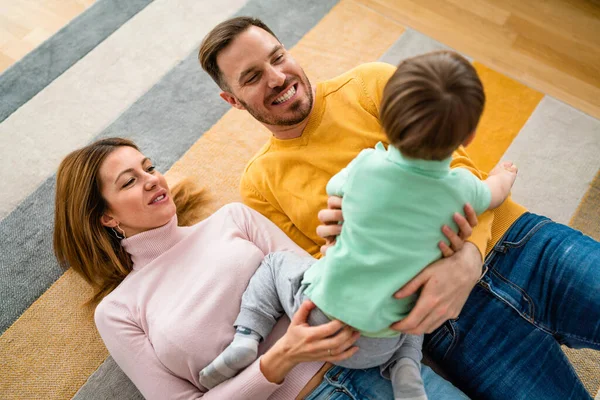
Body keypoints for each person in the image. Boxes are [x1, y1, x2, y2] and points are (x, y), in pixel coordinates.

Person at [198, 16, 600, 399]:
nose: (277, 77)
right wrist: (332, 246)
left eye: (277, 56)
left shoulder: (370, 84)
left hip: (519, 244)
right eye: (252, 77)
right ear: (232, 99)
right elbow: (321, 281)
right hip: (446, 325)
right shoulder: (259, 184)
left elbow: (458, 169)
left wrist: (469, 256)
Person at [53, 137, 468, 399]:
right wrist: (279, 360)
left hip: (386, 375)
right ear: (105, 217)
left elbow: (322, 284)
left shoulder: (234, 219)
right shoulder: (119, 310)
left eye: (149, 166)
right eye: (128, 182)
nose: (151, 180)